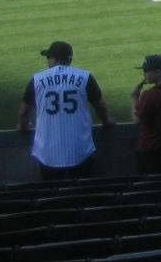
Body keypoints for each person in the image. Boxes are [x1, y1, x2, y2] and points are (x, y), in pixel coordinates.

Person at [18, 41, 113, 181]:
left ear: (54, 59)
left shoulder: (37, 79)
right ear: (70, 59)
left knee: (53, 197)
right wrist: (107, 121)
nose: (48, 61)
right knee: (84, 195)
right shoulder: (85, 77)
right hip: (80, 150)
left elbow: (24, 112)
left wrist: (23, 126)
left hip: (47, 153)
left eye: (49, 57)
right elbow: (101, 107)